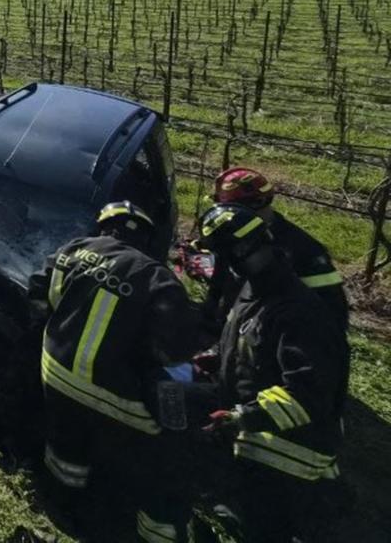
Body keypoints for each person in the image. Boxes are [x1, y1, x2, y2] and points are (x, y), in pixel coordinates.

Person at [29, 201, 203, 543]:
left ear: (104, 228)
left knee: (67, 444)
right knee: (169, 448)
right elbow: (174, 353)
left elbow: (40, 296)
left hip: (55, 374)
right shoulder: (159, 279)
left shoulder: (73, 250)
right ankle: (159, 529)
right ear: (148, 239)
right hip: (114, 394)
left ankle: (63, 503)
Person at [196, 204, 350, 543]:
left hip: (288, 456)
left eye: (225, 258)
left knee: (265, 529)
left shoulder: (299, 314)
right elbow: (241, 339)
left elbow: (307, 396)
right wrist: (214, 358)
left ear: (240, 254)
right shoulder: (252, 292)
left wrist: (242, 417)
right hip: (254, 441)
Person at [206, 167, 348, 332]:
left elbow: (333, 310)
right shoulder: (235, 237)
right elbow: (222, 281)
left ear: (257, 204)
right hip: (241, 330)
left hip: (285, 334)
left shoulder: (304, 250)